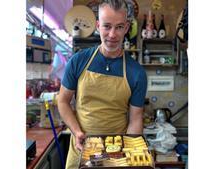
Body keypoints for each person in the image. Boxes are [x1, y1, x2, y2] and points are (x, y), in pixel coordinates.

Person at [57, 0, 147, 168]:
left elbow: (135, 119)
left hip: (116, 152)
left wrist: (130, 153)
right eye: (107, 26)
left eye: (119, 27)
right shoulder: (78, 61)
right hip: (80, 145)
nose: (112, 34)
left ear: (126, 28)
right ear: (98, 26)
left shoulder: (137, 73)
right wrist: (76, 131)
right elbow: (62, 101)